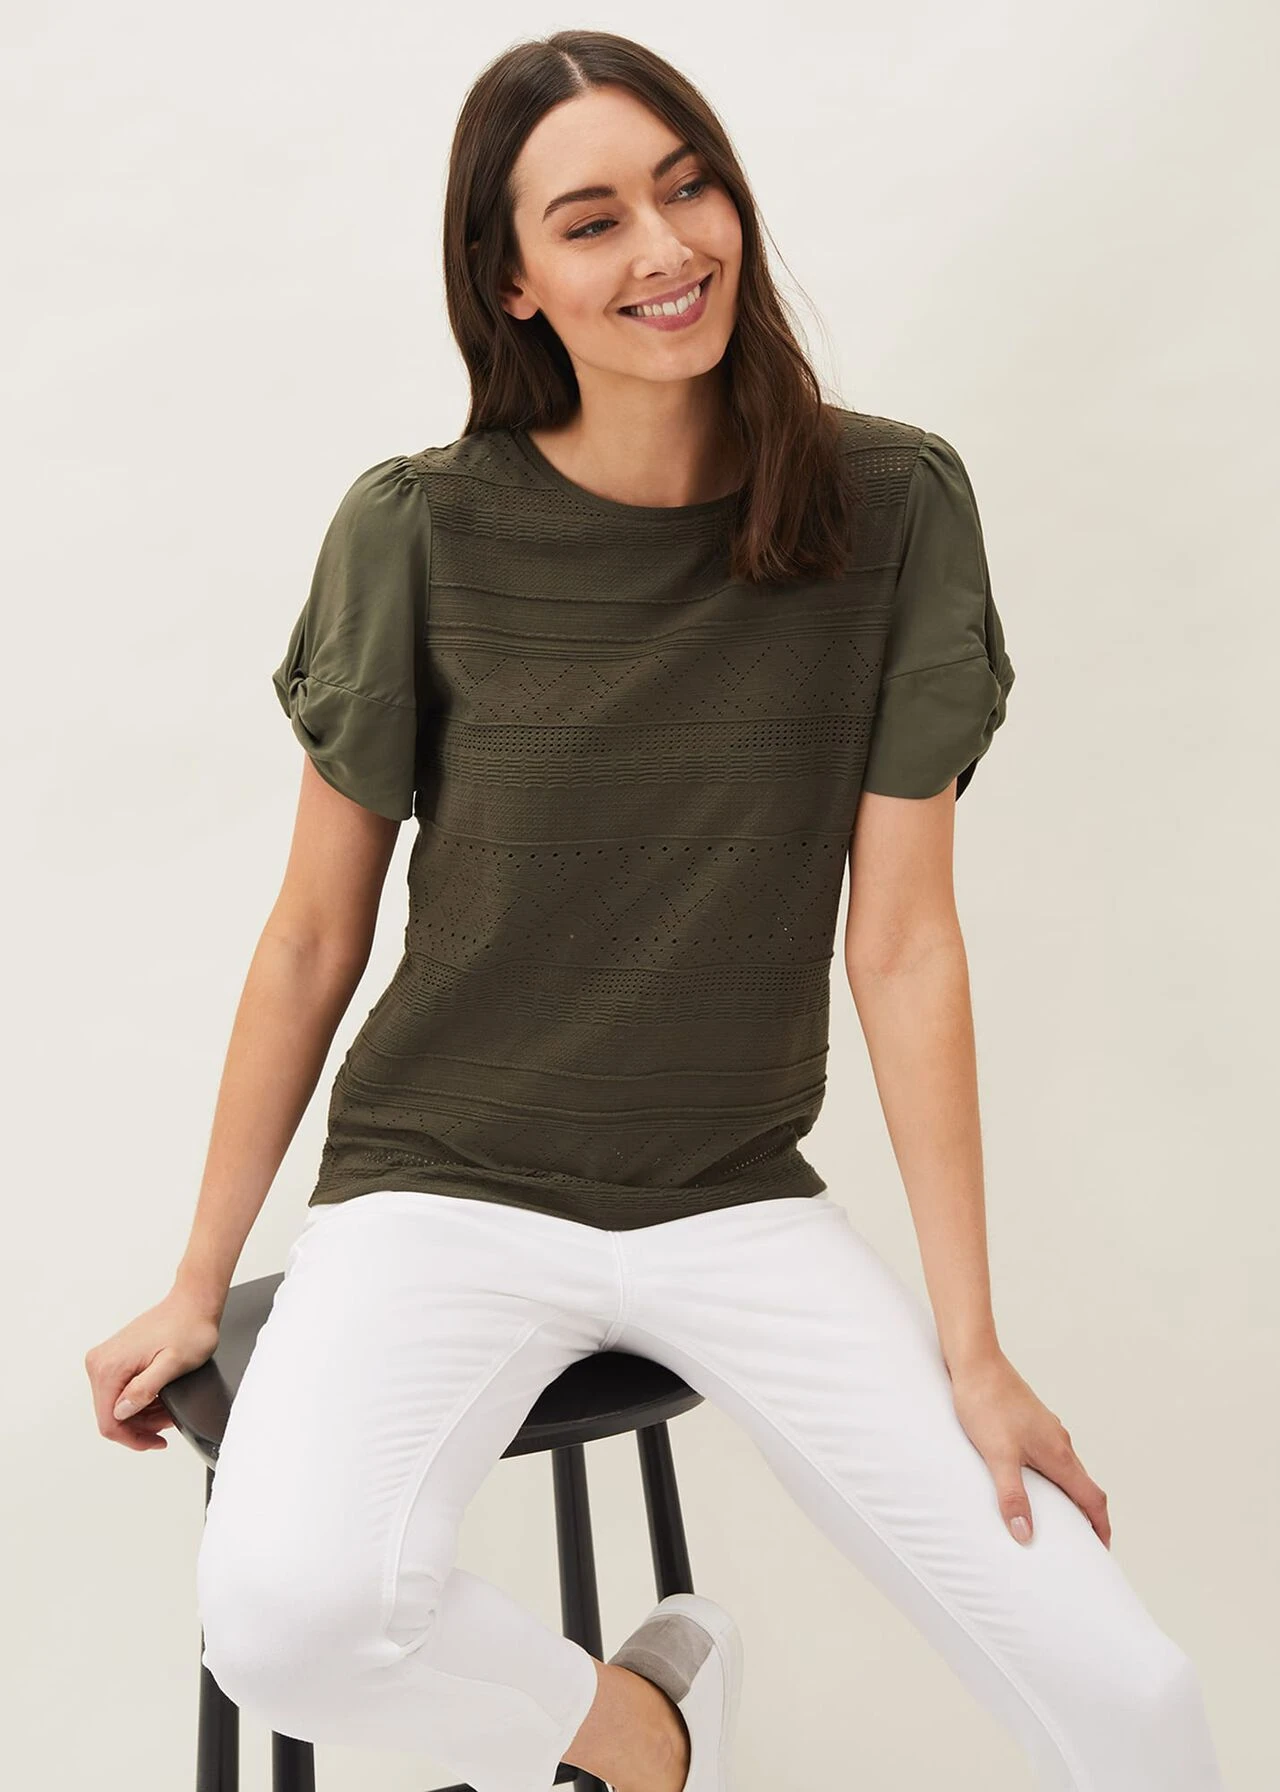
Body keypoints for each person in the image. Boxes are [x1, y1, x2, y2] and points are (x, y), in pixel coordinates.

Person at [83, 29, 1226, 1792]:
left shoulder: (892, 509)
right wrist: (191, 1278)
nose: (665, 248)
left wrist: (975, 1347)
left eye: (688, 190)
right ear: (512, 281)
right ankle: (649, 1735)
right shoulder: (417, 532)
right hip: (441, 1184)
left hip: (732, 1198)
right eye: (593, 219)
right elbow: (314, 935)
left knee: (1131, 1695)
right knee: (290, 1620)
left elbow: (903, 941)